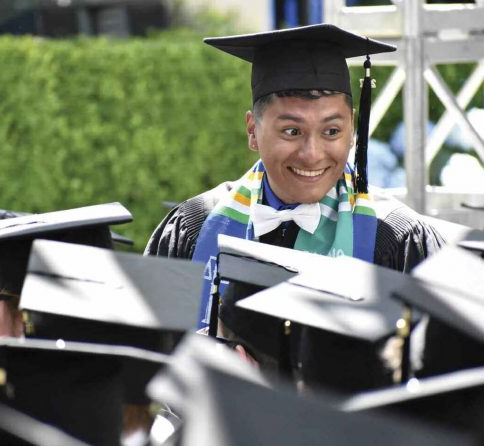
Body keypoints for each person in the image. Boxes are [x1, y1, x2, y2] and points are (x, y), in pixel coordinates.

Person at [145, 24, 446, 392]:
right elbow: (149, 368)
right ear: (253, 130)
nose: (313, 154)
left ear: (352, 129)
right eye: (292, 131)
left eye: (332, 131)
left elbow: (439, 389)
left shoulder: (396, 240)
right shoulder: (194, 228)